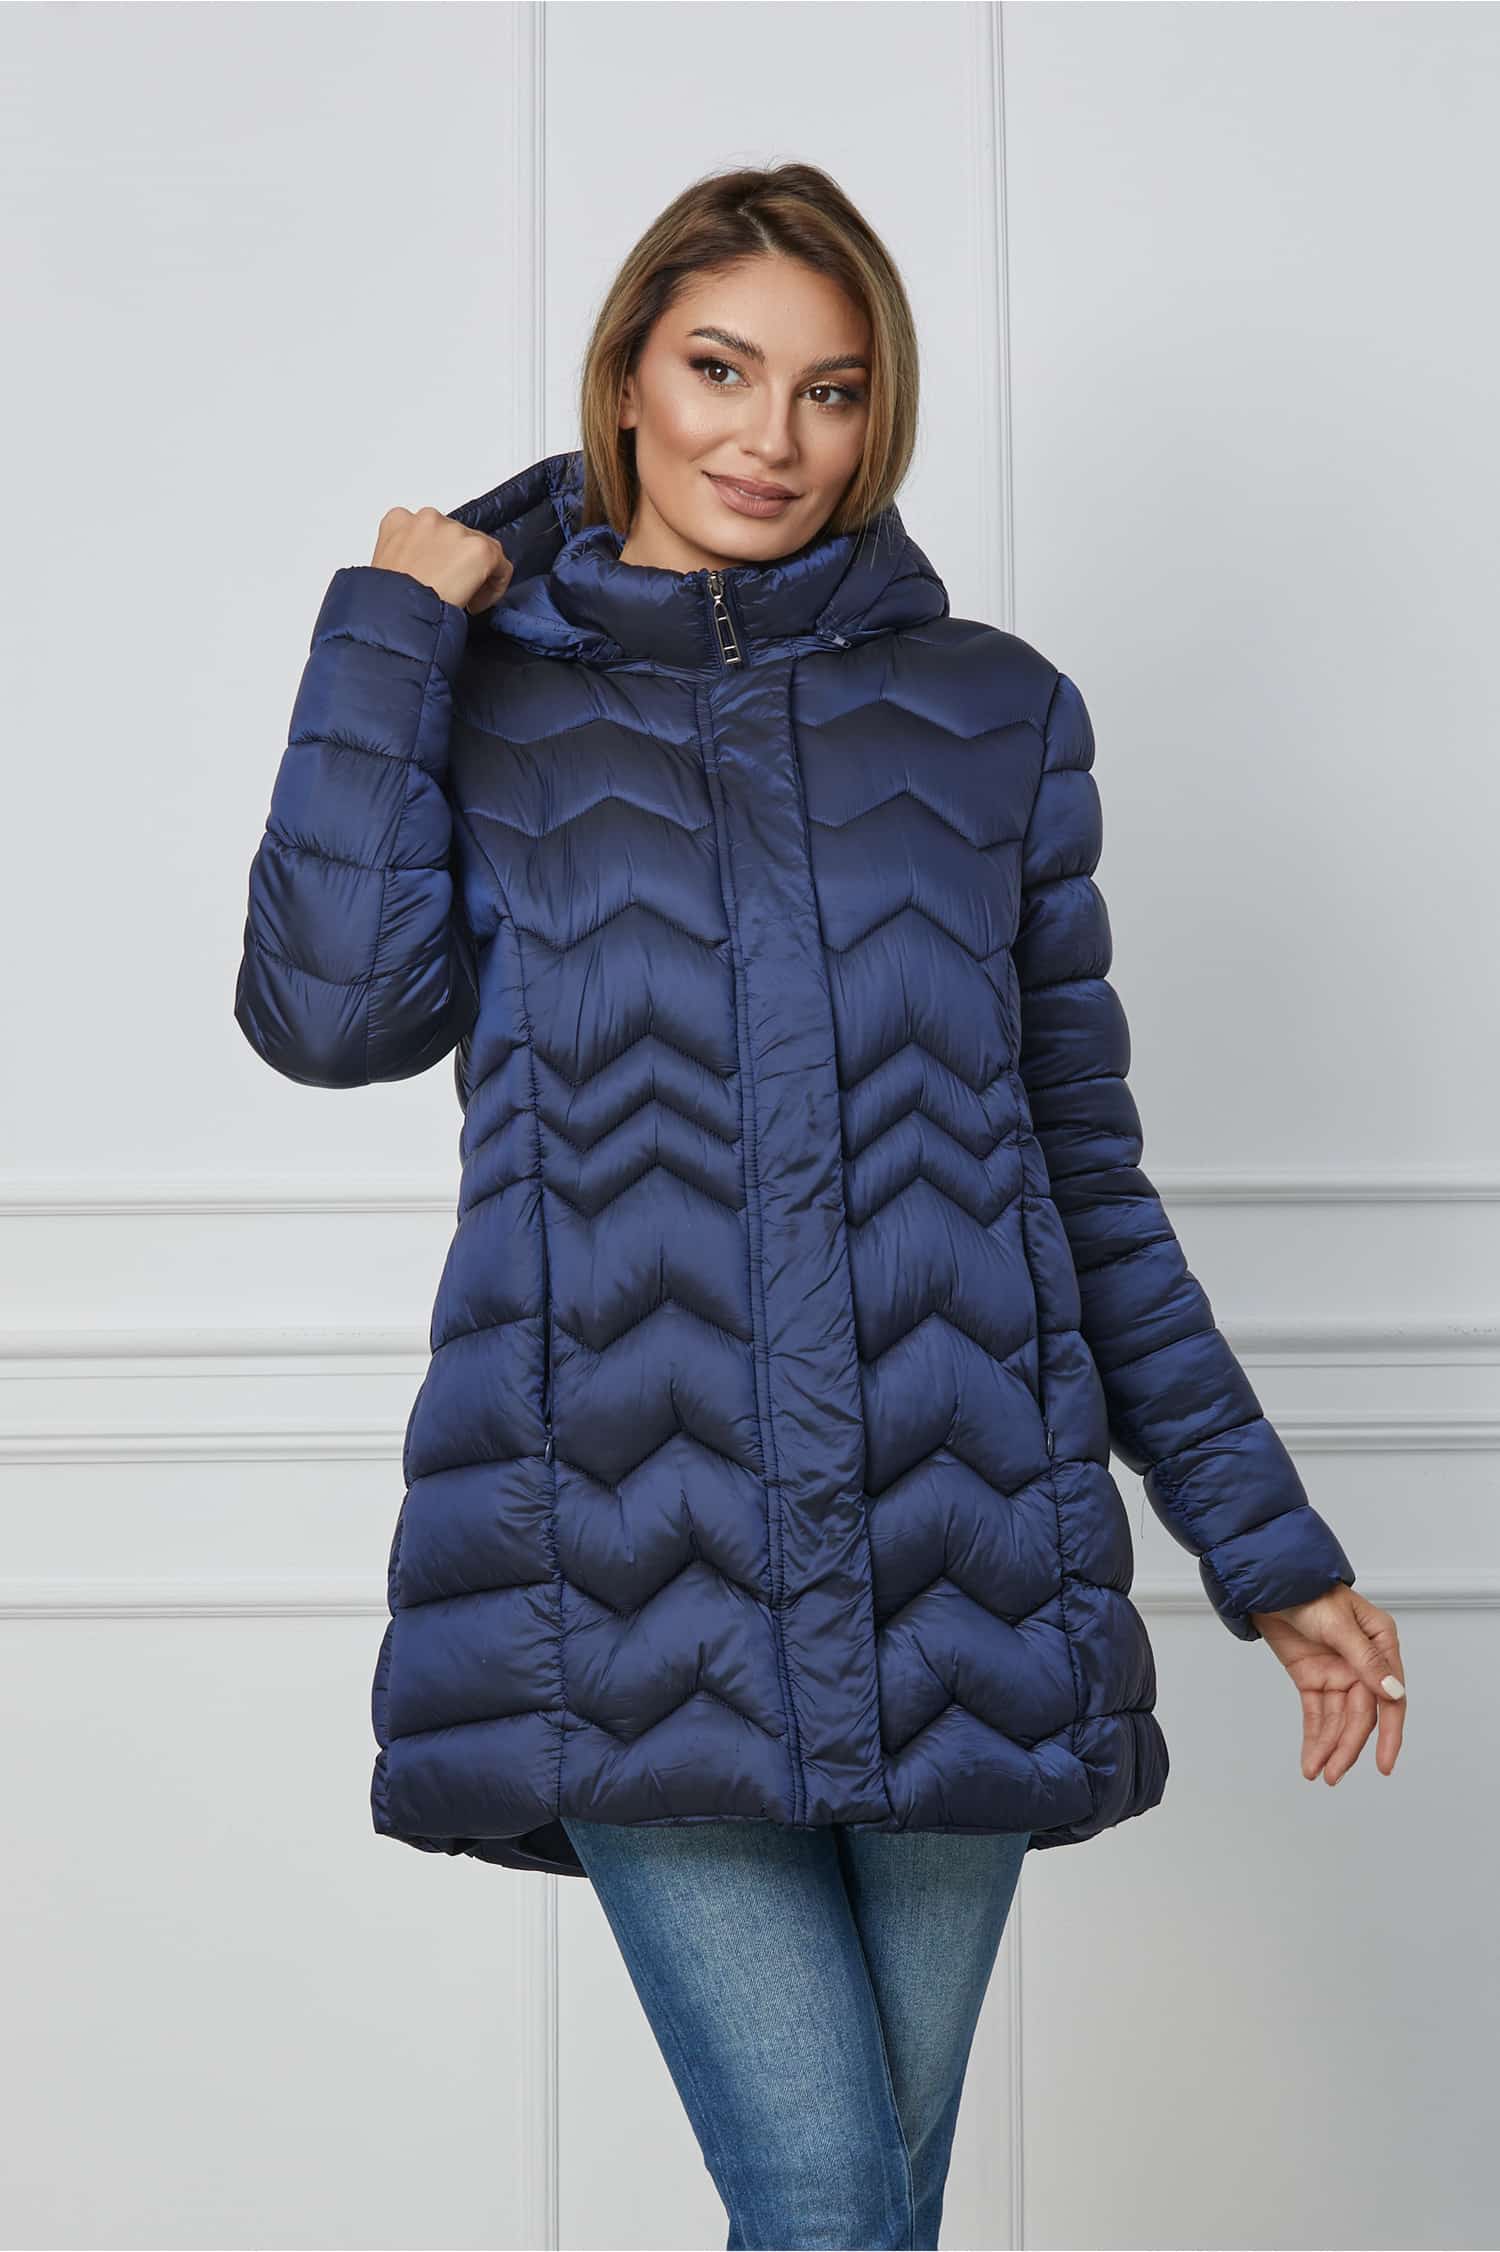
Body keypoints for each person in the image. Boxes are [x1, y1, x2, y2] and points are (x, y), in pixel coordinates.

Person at [233, 161, 1406, 2252]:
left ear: (881, 417)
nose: (771, 436)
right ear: (625, 377)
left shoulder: (996, 717)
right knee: (830, 2203)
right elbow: (330, 1022)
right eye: (720, 369)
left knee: (877, 2217)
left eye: (832, 390)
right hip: (626, 1575)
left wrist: (1268, 1548)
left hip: (967, 1564)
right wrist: (392, 633)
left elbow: (1082, 1180)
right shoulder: (477, 707)